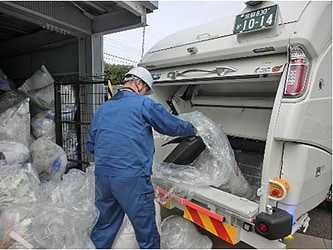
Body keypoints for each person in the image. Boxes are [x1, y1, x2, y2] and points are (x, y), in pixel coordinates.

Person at [86, 66, 198, 249]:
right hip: (131, 179)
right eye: (146, 90)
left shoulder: (103, 108)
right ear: (139, 83)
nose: (145, 94)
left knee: (105, 225)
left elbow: (91, 144)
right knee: (146, 231)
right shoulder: (143, 104)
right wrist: (193, 129)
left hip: (103, 177)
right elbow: (169, 125)